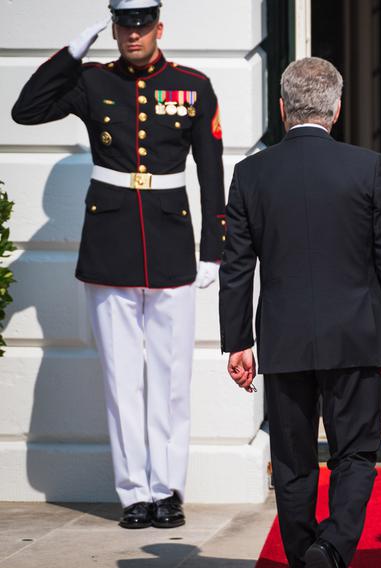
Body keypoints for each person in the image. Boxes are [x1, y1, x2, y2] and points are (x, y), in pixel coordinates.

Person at [11, 0, 225, 529]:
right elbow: (26, 109)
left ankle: (169, 489)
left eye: (142, 25)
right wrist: (72, 51)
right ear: (113, 29)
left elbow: (212, 171)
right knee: (121, 377)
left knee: (171, 378)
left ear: (158, 27)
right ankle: (134, 493)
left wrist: (214, 246)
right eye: (123, 26)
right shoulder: (91, 81)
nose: (133, 35)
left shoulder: (193, 85)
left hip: (172, 243)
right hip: (109, 245)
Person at [219, 57, 381, 568]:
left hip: (283, 340)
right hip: (355, 335)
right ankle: (330, 549)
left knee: (291, 459)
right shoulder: (365, 167)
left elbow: (236, 267)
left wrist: (237, 341)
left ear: (283, 109)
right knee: (355, 452)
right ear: (337, 109)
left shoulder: (250, 174)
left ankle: (304, 552)